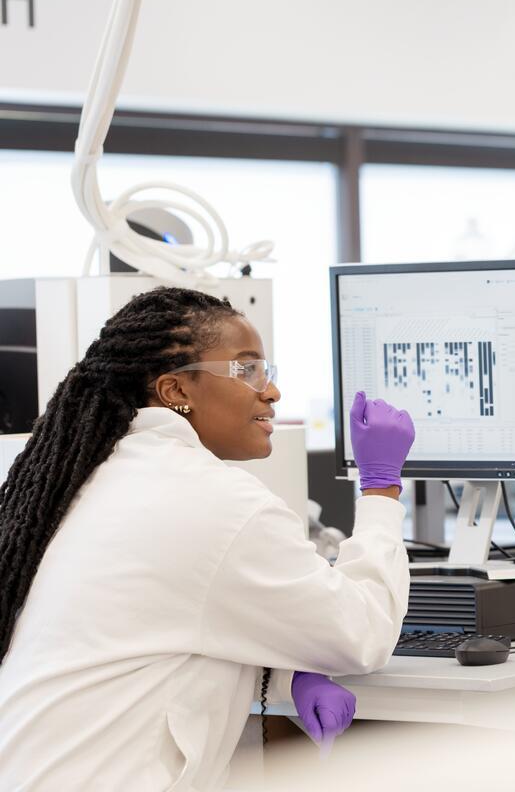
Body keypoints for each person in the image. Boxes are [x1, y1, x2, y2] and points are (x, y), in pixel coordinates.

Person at [0, 288, 414, 790]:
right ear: (176, 391)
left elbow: (143, 632)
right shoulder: (213, 500)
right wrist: (381, 486)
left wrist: (287, 669)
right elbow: (363, 633)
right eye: (247, 370)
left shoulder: (79, 481)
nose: (272, 392)